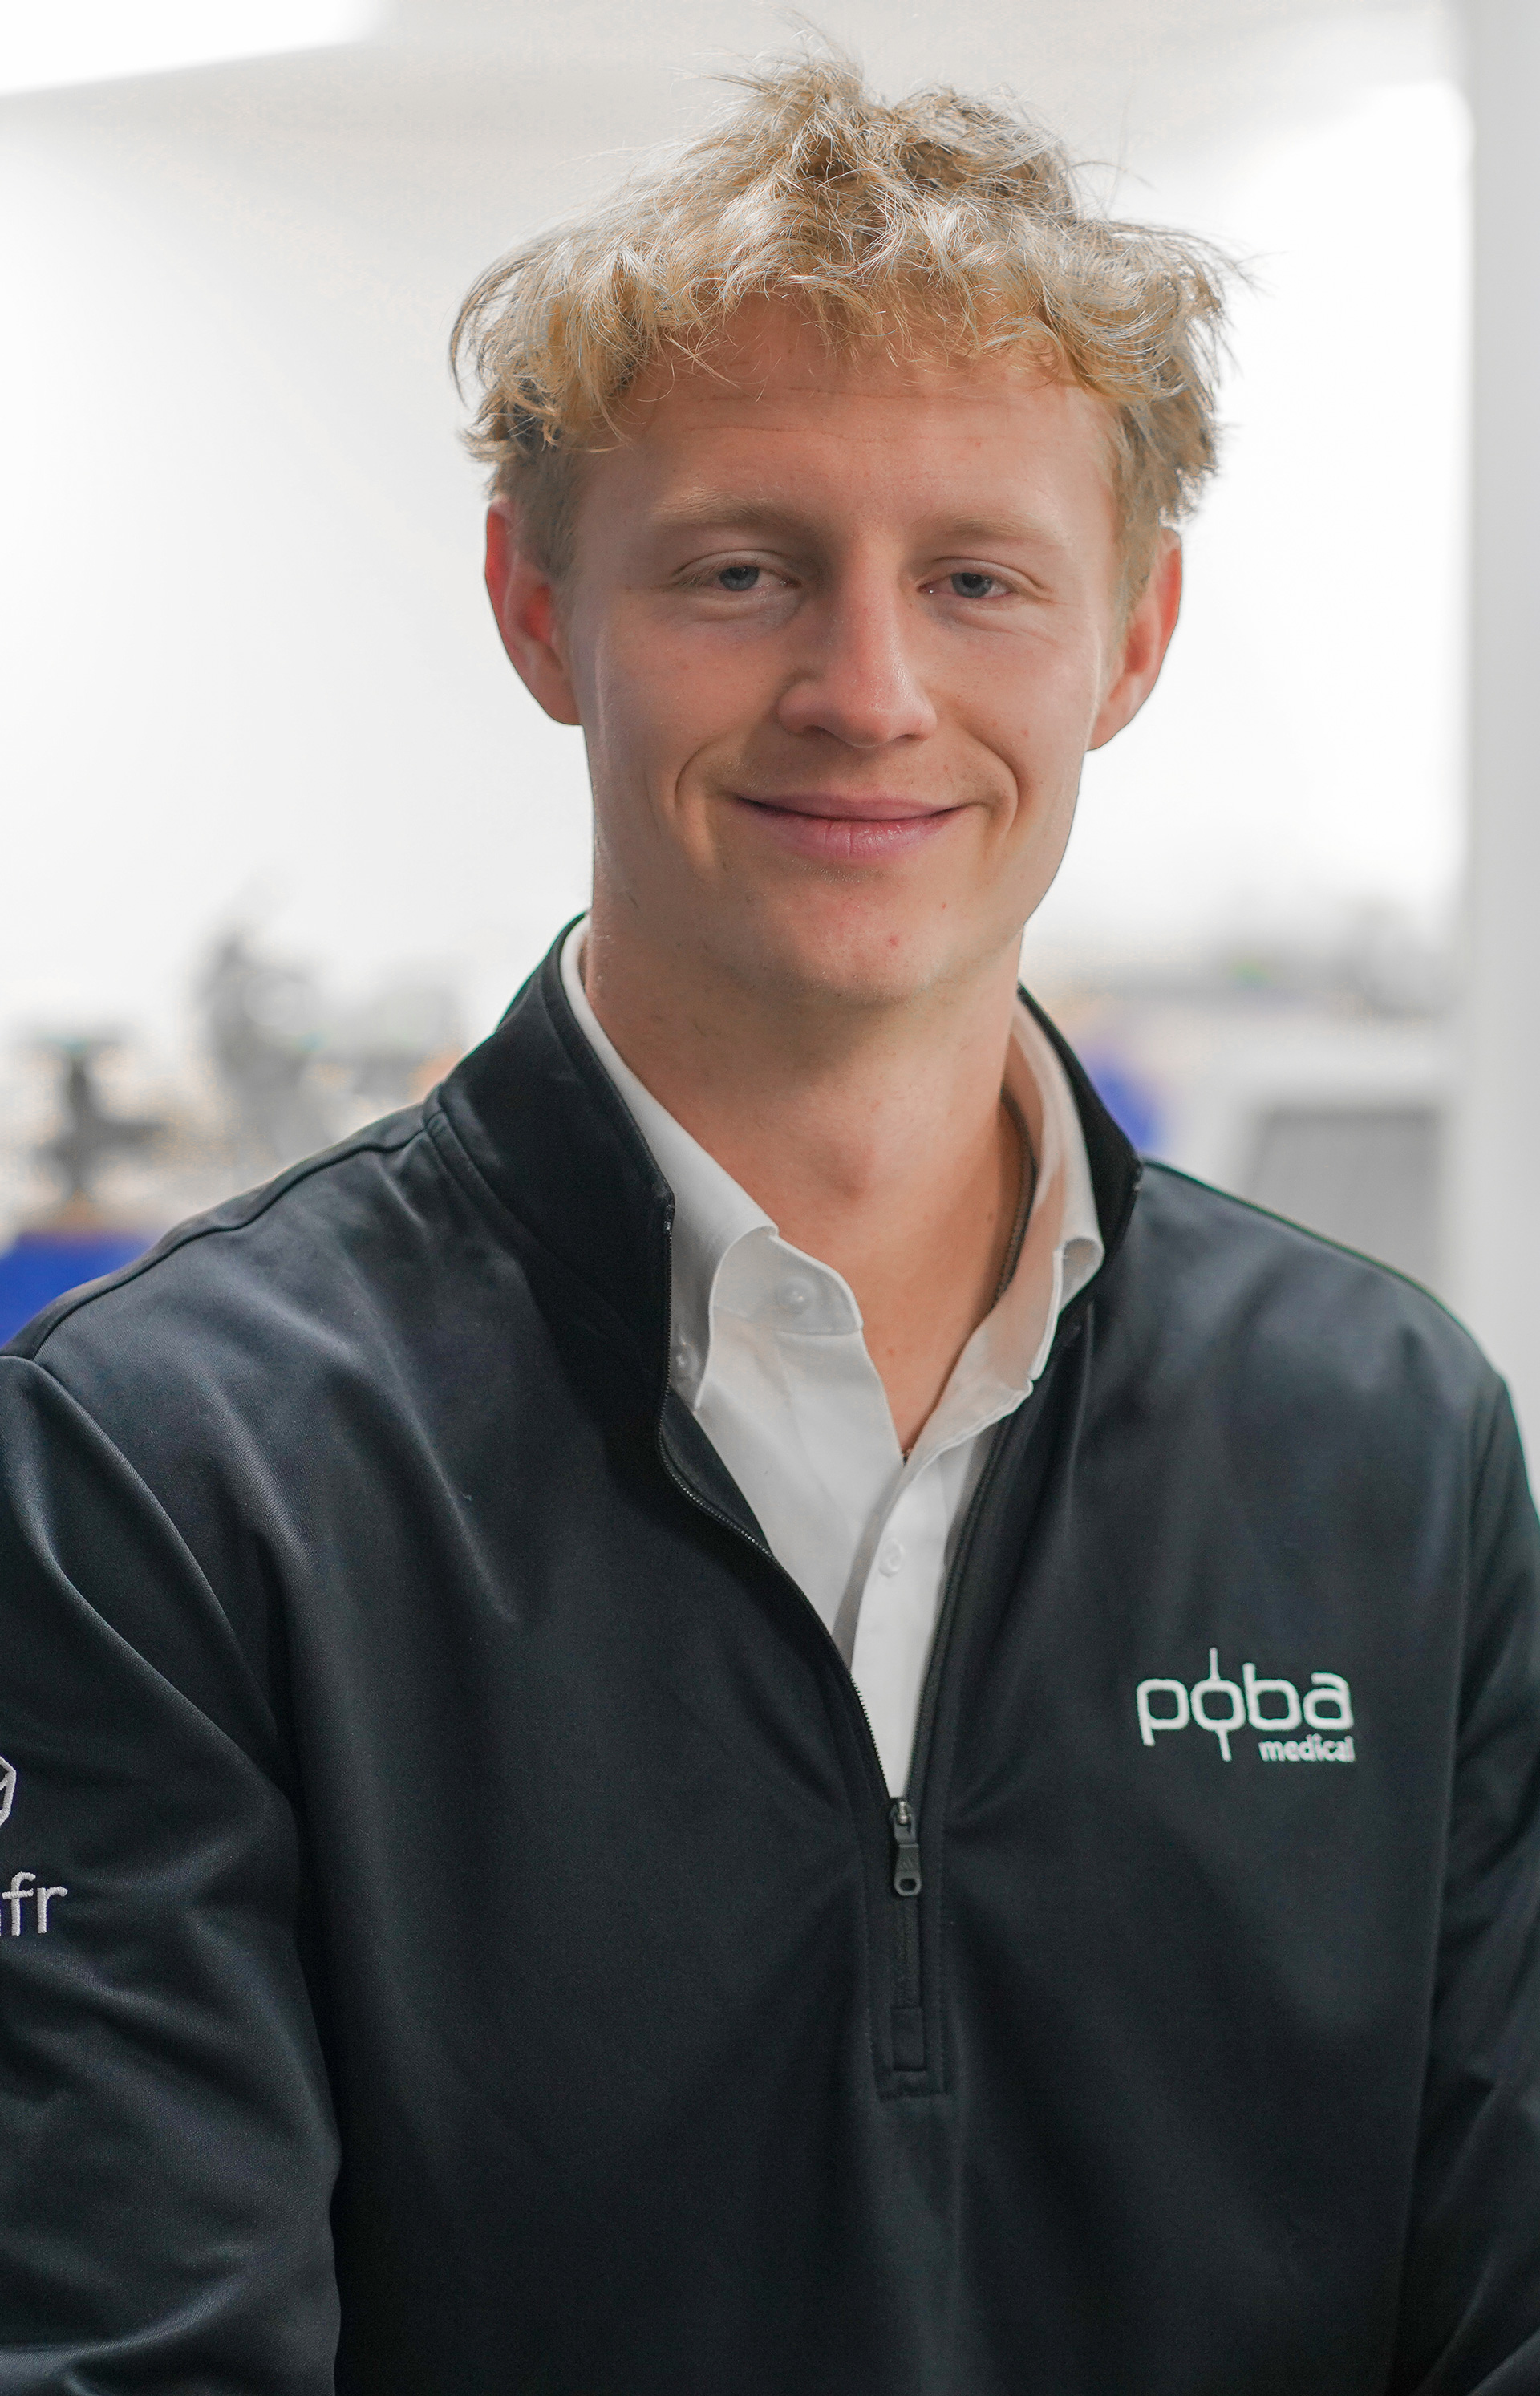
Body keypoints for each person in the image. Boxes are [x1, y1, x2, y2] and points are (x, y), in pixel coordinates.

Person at [2, 52, 1537, 2396]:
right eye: (743, 571)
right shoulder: (165, 1473)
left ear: (1132, 636)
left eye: (979, 580)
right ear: (539, 607)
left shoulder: (1386, 1439)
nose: (868, 692)